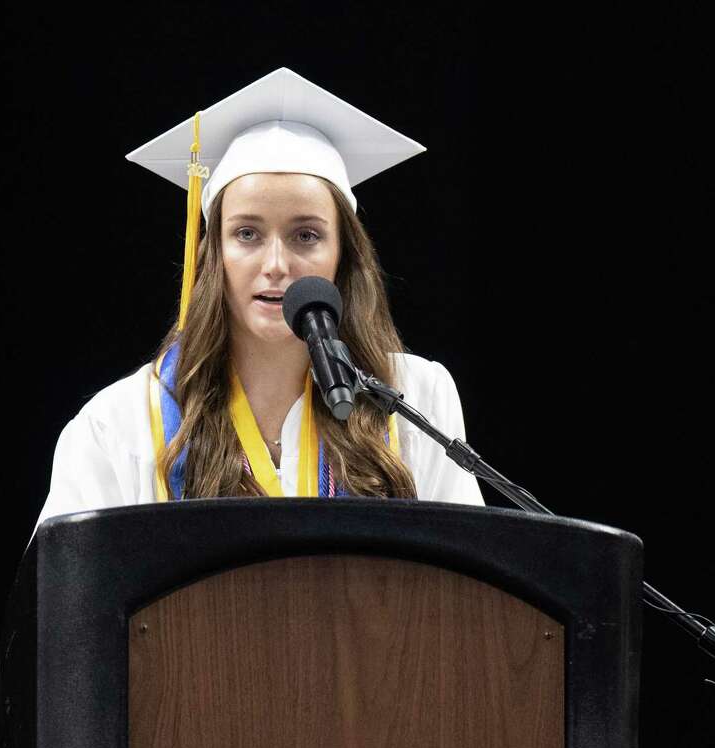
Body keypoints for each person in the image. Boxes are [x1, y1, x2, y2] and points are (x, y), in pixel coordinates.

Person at [36, 68, 484, 529]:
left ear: (343, 255)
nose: (276, 264)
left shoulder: (415, 402)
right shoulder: (120, 424)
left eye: (305, 235)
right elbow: (64, 591)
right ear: (214, 255)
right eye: (247, 233)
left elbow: (468, 589)